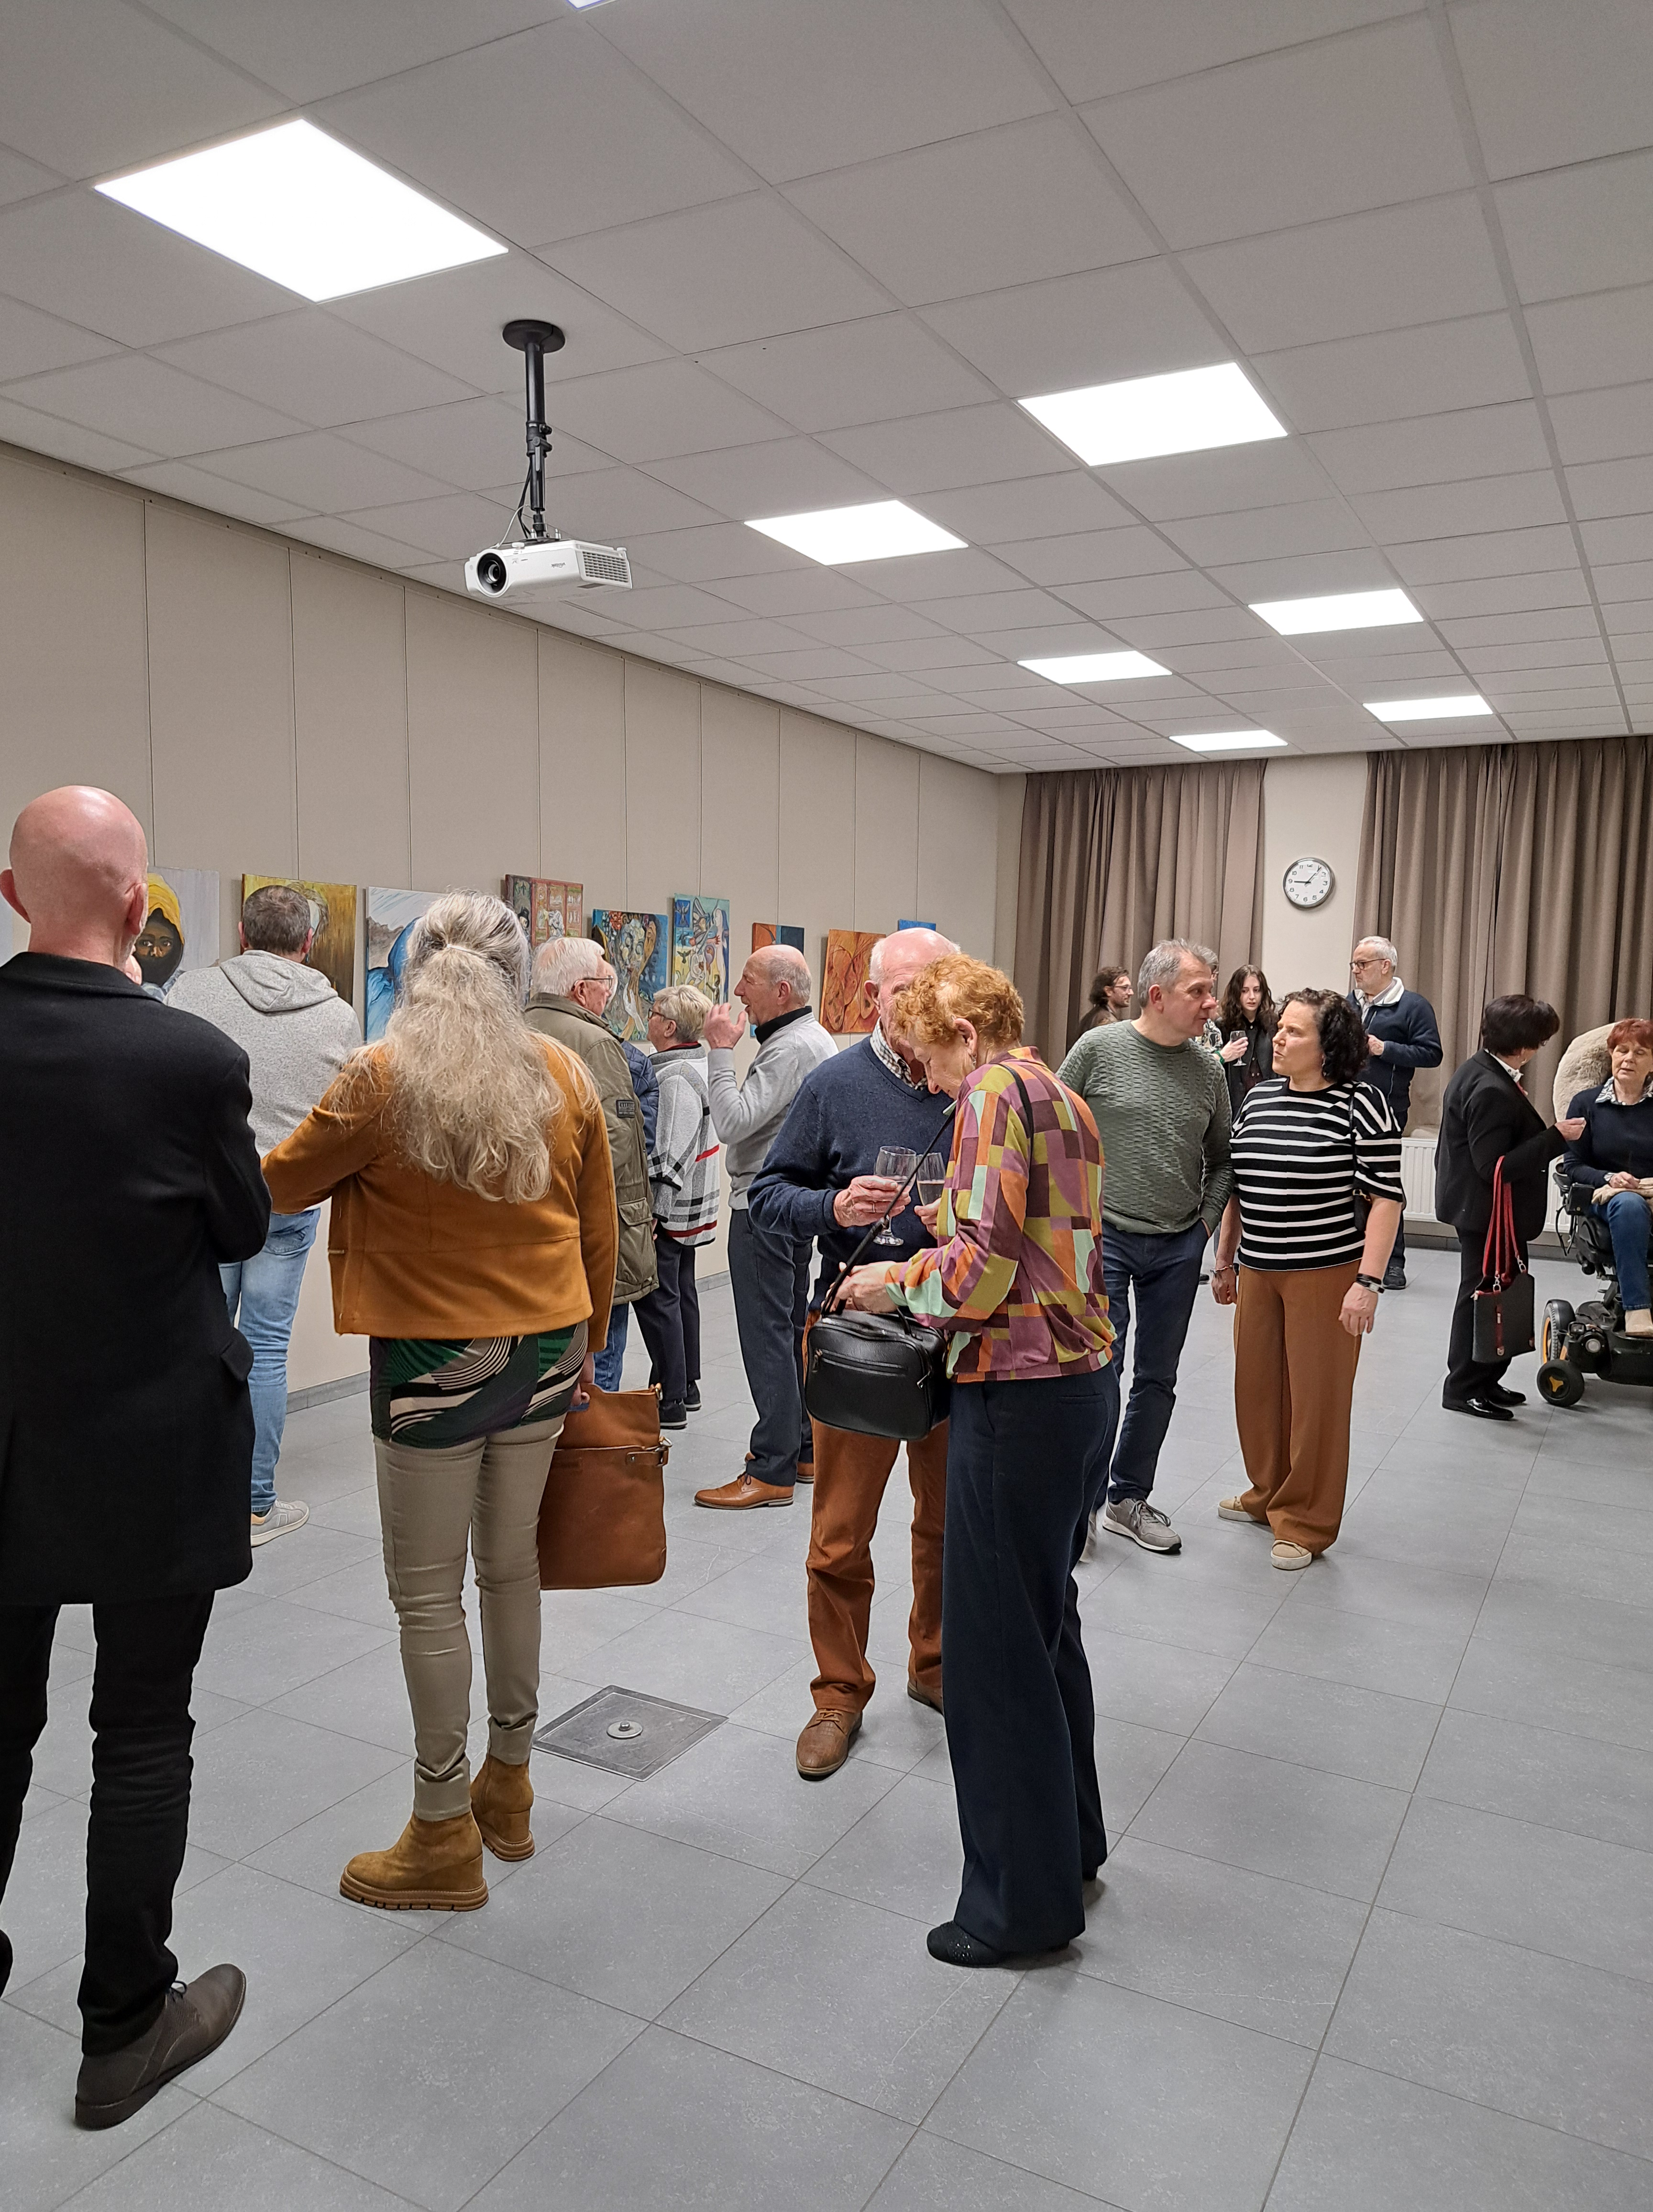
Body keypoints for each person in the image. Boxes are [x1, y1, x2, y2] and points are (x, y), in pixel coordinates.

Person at [263, 892, 616, 1910]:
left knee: (427, 1595)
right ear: (517, 977)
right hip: (548, 1344)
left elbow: (279, 1185)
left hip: (432, 1360)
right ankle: (509, 1786)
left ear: (414, 971)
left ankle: (440, 1827)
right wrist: (589, 1348)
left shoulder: (381, 1076)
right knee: (512, 1567)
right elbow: (597, 1226)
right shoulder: (562, 1071)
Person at [0, 786, 266, 2124]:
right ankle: (123, 2029)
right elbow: (239, 1226)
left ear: (11, 898)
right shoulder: (189, 1060)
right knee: (143, 1730)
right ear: (136, 905)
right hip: (153, 1441)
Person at [838, 956, 1116, 1966]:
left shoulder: (993, 1090)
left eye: (928, 1056)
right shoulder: (1059, 1091)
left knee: (995, 1659)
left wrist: (891, 1278)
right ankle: (1069, 1847)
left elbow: (983, 1267)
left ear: (963, 1031)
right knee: (1043, 1634)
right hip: (1078, 1384)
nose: (929, 1078)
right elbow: (1035, 1237)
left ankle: (1017, 1906)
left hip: (1018, 1390)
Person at [749, 927, 959, 1779]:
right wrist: (833, 1209)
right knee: (840, 1533)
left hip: (957, 1334)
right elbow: (768, 1195)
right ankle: (838, 1691)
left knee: (948, 1521)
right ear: (871, 996)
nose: (920, 1006)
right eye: (904, 990)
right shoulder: (833, 1085)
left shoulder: (978, 1088)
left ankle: (935, 1663)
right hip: (859, 1340)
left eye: (936, 987)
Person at [167, 882, 360, 1544]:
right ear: (308, 942)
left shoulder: (192, 992)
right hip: (287, 1197)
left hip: (205, 1194)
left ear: (243, 934)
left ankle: (193, 1494)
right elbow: (341, 1112)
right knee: (267, 1347)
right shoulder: (338, 1016)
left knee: (202, 1337)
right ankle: (255, 1505)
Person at [1211, 992, 1405, 1569]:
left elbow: (1387, 1199)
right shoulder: (1259, 1098)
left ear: (1328, 1047)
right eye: (1281, 1028)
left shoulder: (1362, 1104)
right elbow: (1238, 1185)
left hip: (1326, 1273)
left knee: (1318, 1400)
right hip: (1259, 1268)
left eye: (1295, 1032)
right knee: (1258, 1390)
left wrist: (1368, 1283)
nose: (1279, 1039)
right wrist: (1225, 1259)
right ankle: (1267, 1492)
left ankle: (1306, 1519)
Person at [1057, 940, 1232, 1557]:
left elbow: (1222, 1160)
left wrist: (1204, 1228)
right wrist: (1070, 1220)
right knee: (1100, 1372)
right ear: (1157, 996)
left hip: (1178, 1243)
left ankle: (1128, 1498)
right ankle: (1081, 1504)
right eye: (1198, 992)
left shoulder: (1209, 1069)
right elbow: (1051, 1128)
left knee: (1158, 1378)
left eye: (1212, 990)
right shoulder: (1098, 1049)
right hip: (1103, 1239)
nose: (1212, 1003)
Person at [695, 945, 837, 1509]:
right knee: (786, 1326)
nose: (737, 992)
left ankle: (772, 1466)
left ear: (781, 991)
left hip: (763, 1207)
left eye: (747, 980)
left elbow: (731, 1123)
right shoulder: (812, 1037)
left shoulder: (788, 1049)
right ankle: (801, 1449)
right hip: (791, 1204)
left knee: (767, 1334)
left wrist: (718, 1052)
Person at [1435, 996, 1585, 1420]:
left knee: (1492, 1293)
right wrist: (1556, 1138)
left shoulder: (1481, 1069)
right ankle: (1464, 1388)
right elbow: (1495, 1167)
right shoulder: (1491, 1089)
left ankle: (1485, 1378)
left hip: (1482, 1211)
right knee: (1482, 1296)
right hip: (1487, 1215)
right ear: (1524, 1045)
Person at [524, 937, 659, 1390]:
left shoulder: (513, 1030)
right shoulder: (596, 1043)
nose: (610, 994)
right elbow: (617, 1148)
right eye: (606, 983)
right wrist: (635, 1221)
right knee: (599, 1358)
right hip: (591, 1227)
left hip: (531, 1226)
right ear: (581, 990)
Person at [631, 984, 719, 1429]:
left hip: (675, 1207)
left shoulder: (677, 1076)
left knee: (659, 1297)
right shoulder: (695, 1064)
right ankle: (688, 1384)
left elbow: (670, 1155)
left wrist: (655, 1213)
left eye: (652, 1013)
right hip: (694, 1205)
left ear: (668, 1027)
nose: (647, 1018)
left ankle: (672, 1399)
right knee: (682, 1290)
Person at [1348, 936, 1441, 1289]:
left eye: (1362, 964)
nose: (1356, 971)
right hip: (1345, 1105)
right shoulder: (1348, 1004)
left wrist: (1385, 1048)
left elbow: (1432, 1054)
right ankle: (1353, 1257)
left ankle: (1393, 1262)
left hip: (1387, 1109)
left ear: (1385, 966)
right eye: (1354, 965)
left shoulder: (1413, 1006)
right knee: (1345, 1182)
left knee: (1384, 1184)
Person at [1564, 1017, 1653, 1336]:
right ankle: (1637, 1309)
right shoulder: (1586, 1104)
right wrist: (1609, 1178)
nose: (1629, 1059)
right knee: (1629, 1205)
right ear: (1611, 1055)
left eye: (1640, 1053)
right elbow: (1572, 1165)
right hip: (1607, 1197)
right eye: (1622, 1050)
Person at [1216, 965, 1275, 1118]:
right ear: (1236, 993)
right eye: (1245, 991)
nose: (1252, 997)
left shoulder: (1273, 1024)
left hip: (1268, 1102)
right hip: (1235, 1105)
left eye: (1257, 990)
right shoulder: (1223, 1026)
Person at [1075, 963, 1132, 1039]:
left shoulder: (1092, 1016)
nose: (1131, 993)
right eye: (1125, 988)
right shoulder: (1107, 1023)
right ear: (1108, 991)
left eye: (1130, 988)